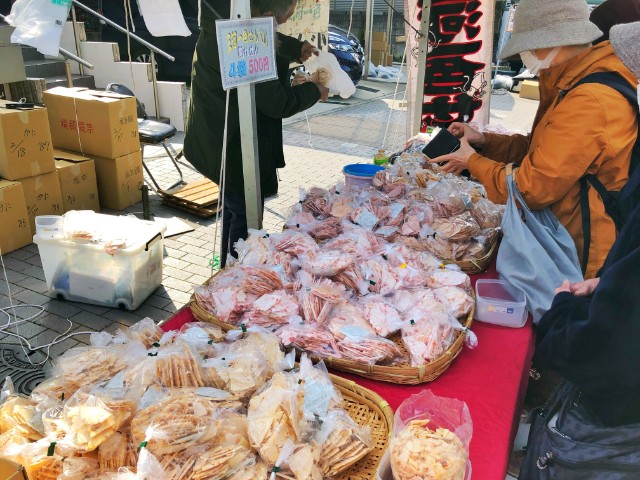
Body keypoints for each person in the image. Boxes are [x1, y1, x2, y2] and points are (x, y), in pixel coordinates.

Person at [430, 0, 638, 279]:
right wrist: (483, 141)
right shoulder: (574, 81)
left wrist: (473, 161)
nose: (527, 56)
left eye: (529, 47)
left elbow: (531, 188)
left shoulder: (590, 99)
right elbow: (537, 149)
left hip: (580, 251)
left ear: (554, 41)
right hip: (563, 233)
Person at [183, 0, 329, 267]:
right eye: (284, 16)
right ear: (267, 13)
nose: (284, 22)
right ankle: (239, 274)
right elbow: (276, 102)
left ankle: (229, 267)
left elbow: (264, 34)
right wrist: (313, 91)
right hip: (231, 142)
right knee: (244, 211)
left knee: (233, 207)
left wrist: (297, 48)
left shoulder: (227, 24)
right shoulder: (241, 37)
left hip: (221, 138)